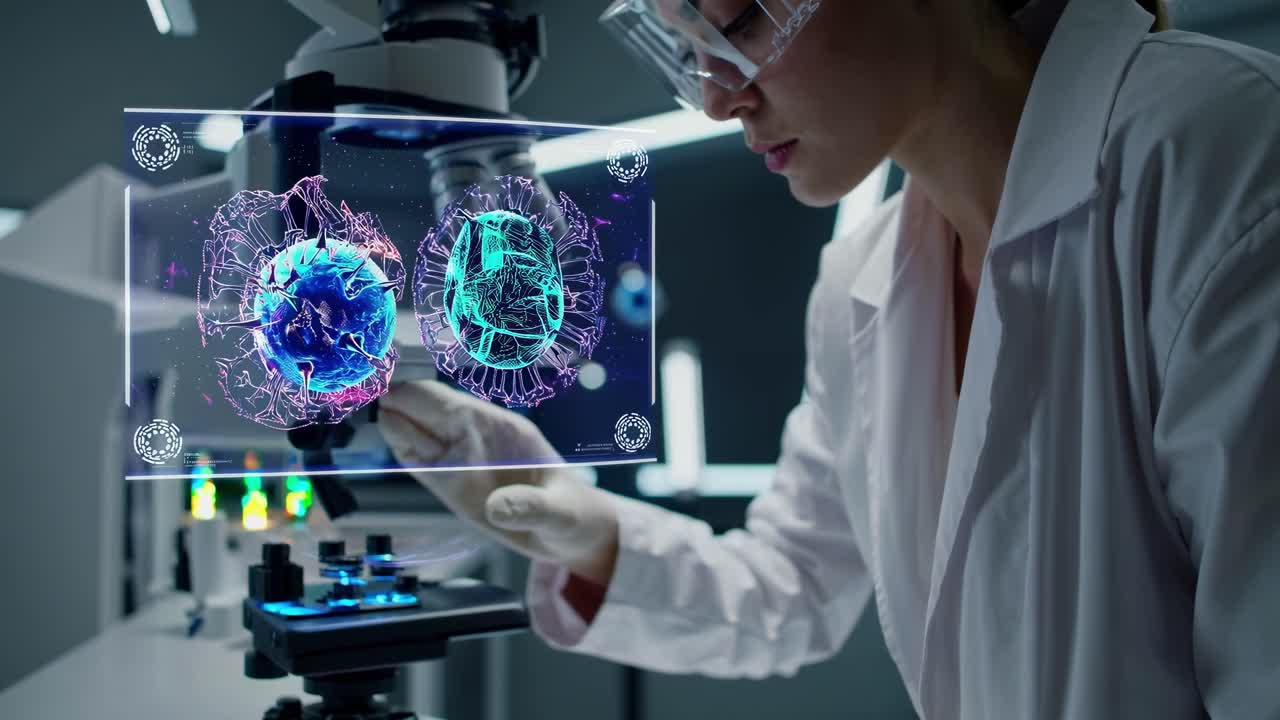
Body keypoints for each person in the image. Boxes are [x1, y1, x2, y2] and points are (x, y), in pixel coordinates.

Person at [380, 0, 1280, 716]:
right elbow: (794, 590)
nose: (716, 96)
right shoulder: (864, 272)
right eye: (684, 44)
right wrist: (581, 526)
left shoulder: (1224, 161)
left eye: (738, 23)